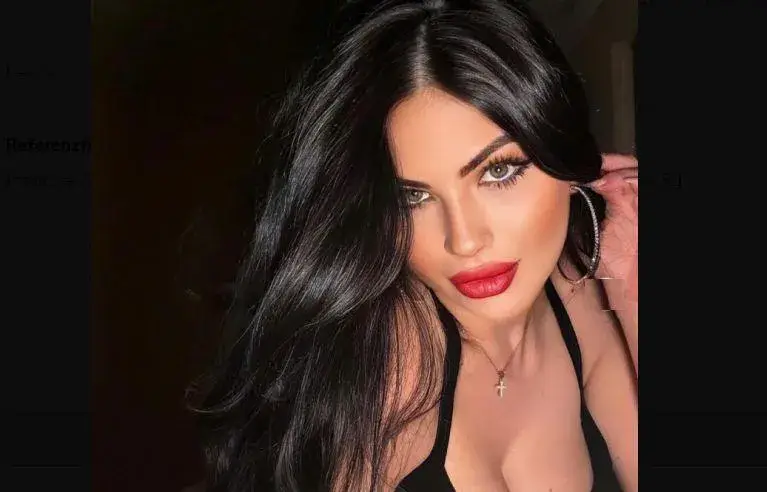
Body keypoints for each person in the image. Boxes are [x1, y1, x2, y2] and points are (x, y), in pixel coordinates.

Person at [186, 1, 638, 491]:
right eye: (413, 197)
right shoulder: (380, 374)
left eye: (499, 171)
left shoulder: (582, 288)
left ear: (569, 163)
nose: (465, 240)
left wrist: (633, 288)